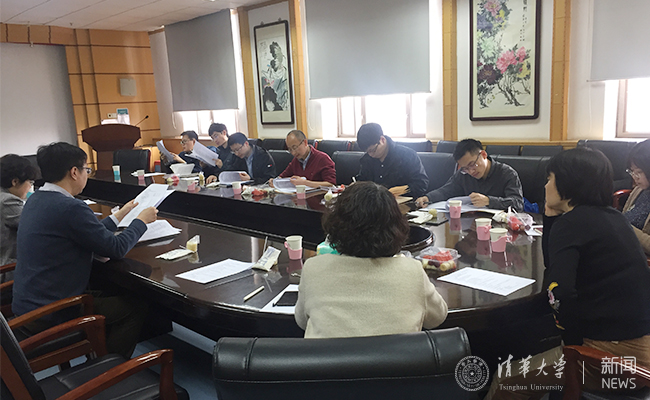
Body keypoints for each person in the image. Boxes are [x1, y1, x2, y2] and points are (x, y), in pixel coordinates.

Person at [486, 147, 650, 400]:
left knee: (505, 379)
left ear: (567, 183)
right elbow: (553, 265)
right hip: (639, 343)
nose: (545, 185)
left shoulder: (573, 224)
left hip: (615, 357)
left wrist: (572, 344)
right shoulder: (612, 217)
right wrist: (551, 215)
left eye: (549, 178)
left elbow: (560, 289)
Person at [12, 142, 159, 359]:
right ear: (74, 172)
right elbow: (116, 248)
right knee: (134, 307)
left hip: (30, 303)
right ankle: (110, 367)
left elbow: (88, 232)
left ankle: (100, 352)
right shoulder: (70, 207)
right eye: (86, 170)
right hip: (52, 312)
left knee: (110, 290)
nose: (86, 175)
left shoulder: (36, 199)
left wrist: (120, 215)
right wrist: (141, 221)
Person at [294, 182, 447, 338]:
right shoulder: (412, 271)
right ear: (396, 227)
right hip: (395, 355)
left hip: (328, 354)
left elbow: (301, 321)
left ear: (335, 224)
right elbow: (438, 317)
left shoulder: (314, 268)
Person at [415, 139, 524, 211]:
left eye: (472, 164)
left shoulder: (507, 173)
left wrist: (489, 201)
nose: (471, 171)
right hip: (470, 226)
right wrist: (427, 197)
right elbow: (446, 191)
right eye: (465, 168)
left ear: (483, 154)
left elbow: (518, 204)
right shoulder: (463, 174)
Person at [356, 123, 429, 198]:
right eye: (367, 152)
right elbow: (362, 181)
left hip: (402, 201)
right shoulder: (366, 159)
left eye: (372, 150)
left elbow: (422, 184)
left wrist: (404, 189)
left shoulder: (407, 155)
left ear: (382, 140)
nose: (370, 154)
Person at [0, 154, 38, 266]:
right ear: (15, 182)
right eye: (30, 182)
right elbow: (36, 225)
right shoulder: (7, 201)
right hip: (8, 267)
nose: (30, 187)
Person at [269, 130, 336, 189]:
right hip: (300, 197)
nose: (293, 153)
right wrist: (275, 181)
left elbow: (331, 184)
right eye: (290, 149)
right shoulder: (296, 160)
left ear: (305, 142)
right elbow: (283, 176)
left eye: (295, 147)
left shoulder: (322, 159)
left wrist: (305, 183)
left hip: (319, 197)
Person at [622, 139, 650, 255]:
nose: (635, 177)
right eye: (632, 171)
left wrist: (626, 228)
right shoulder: (639, 190)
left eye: (639, 172)